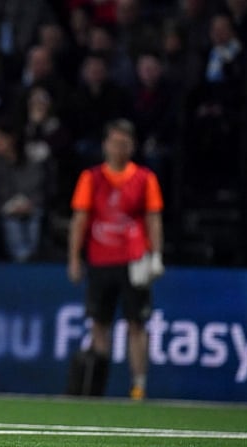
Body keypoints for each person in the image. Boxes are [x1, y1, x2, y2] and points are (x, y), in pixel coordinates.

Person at [66, 118, 164, 400]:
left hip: (134, 261)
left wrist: (156, 255)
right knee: (99, 324)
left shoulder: (145, 178)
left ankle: (139, 387)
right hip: (100, 260)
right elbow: (80, 220)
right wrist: (74, 258)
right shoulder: (91, 178)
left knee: (137, 324)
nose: (119, 148)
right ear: (105, 145)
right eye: (114, 142)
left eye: (124, 143)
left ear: (132, 146)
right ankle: (96, 386)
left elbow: (153, 219)